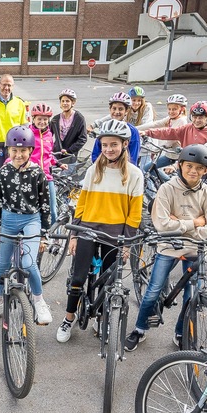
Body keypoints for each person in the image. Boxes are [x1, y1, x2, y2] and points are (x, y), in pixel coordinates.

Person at [124, 145, 207, 352]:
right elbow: (161, 224)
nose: (193, 171)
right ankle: (139, 329)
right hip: (169, 246)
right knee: (153, 291)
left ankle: (180, 332)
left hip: (195, 248)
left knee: (191, 296)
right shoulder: (167, 189)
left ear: (206, 170)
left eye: (199, 168)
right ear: (180, 165)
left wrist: (181, 225)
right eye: (189, 166)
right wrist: (194, 223)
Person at [56, 120, 145, 343]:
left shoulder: (135, 175)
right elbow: (82, 202)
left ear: (125, 144)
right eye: (104, 145)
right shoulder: (94, 170)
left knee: (109, 281)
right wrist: (74, 234)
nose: (108, 149)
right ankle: (69, 317)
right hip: (88, 228)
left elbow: (134, 214)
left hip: (115, 234)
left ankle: (102, 318)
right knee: (78, 277)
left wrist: (127, 243)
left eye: (113, 144)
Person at [0, 124, 53, 326]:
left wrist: (44, 234)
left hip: (31, 219)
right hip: (8, 220)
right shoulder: (3, 173)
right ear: (8, 150)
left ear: (31, 150)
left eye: (23, 150)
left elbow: (45, 205)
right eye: (14, 150)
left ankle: (39, 302)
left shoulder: (38, 173)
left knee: (29, 263)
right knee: (3, 265)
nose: (19, 154)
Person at [140, 100, 207, 177]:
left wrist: (175, 166)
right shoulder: (188, 128)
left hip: (199, 171)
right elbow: (169, 132)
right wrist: (147, 132)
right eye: (194, 117)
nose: (196, 120)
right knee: (148, 168)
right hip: (184, 165)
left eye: (200, 118)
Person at [28, 102, 62, 224]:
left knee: (52, 210)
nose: (42, 122)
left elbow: (49, 155)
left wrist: (58, 164)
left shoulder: (49, 135)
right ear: (33, 119)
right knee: (33, 209)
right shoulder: (28, 134)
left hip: (47, 177)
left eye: (45, 119)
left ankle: (54, 238)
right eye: (39, 119)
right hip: (31, 177)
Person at [138, 93, 189, 169]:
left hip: (177, 157)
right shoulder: (170, 118)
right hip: (170, 155)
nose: (171, 111)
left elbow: (170, 140)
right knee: (150, 168)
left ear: (182, 109)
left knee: (147, 169)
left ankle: (168, 181)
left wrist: (155, 150)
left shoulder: (181, 121)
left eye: (174, 109)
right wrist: (136, 128)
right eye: (169, 109)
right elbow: (156, 124)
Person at [90, 93, 142, 166]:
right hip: (104, 169)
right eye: (114, 108)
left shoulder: (132, 131)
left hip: (123, 170)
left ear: (126, 111)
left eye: (120, 109)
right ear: (110, 109)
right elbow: (96, 153)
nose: (117, 112)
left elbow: (133, 157)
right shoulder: (105, 128)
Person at [50, 88, 88, 158]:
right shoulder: (55, 119)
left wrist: (69, 150)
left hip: (70, 156)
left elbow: (82, 138)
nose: (65, 103)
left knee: (70, 169)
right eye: (63, 101)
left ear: (73, 102)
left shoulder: (79, 118)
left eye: (67, 101)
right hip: (56, 155)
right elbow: (48, 134)